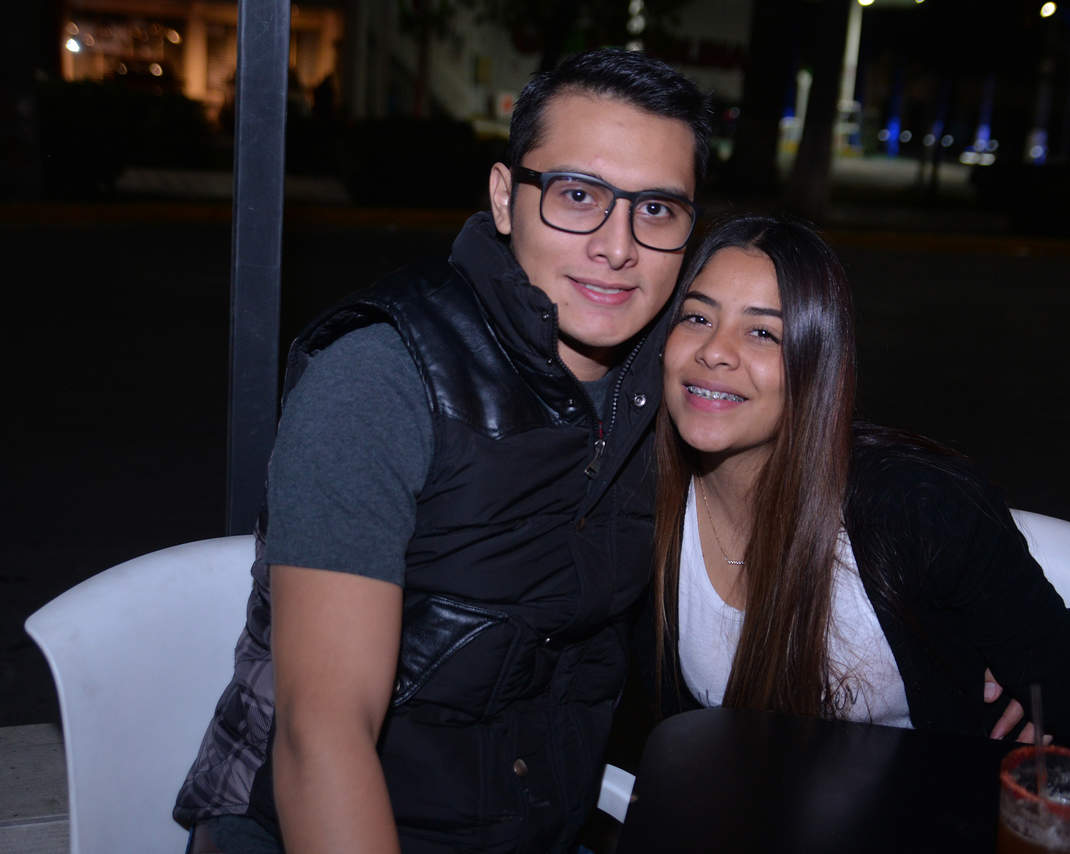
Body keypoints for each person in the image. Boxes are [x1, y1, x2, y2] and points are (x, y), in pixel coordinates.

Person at [173, 49, 711, 854]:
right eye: (577, 195)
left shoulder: (670, 384)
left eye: (657, 210)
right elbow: (322, 735)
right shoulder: (383, 374)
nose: (617, 245)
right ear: (504, 197)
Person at [645, 214, 1070, 783]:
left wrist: (1033, 701)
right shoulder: (637, 501)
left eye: (762, 333)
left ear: (817, 365)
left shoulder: (918, 509)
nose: (715, 351)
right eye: (698, 317)